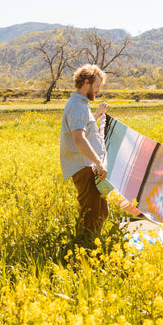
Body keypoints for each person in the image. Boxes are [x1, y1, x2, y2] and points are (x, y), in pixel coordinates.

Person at [60, 64, 109, 239]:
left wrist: (96, 115)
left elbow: (84, 128)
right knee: (91, 216)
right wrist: (97, 162)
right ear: (86, 83)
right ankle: (83, 253)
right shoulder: (77, 106)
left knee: (101, 211)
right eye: (96, 86)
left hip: (89, 167)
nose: (97, 90)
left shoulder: (81, 105)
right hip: (85, 168)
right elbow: (79, 138)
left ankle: (90, 247)